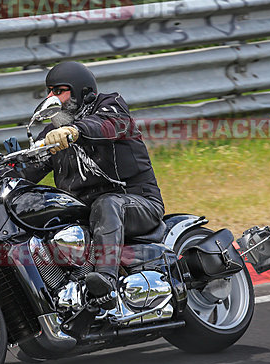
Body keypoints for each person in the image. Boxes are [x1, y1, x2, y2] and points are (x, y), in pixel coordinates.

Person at [15, 61, 165, 306]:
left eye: (60, 91)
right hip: (86, 213)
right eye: (49, 92)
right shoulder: (52, 135)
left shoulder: (112, 107)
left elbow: (104, 127)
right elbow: (28, 170)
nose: (53, 98)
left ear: (81, 91)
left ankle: (105, 280)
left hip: (137, 201)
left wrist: (74, 131)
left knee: (106, 204)